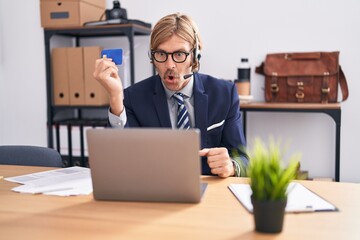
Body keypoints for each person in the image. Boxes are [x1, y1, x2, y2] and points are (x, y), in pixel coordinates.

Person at [93, 12, 248, 178]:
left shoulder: (225, 94)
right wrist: (115, 97)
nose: (169, 65)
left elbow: (244, 160)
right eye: (161, 54)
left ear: (195, 56)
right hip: (156, 190)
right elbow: (120, 157)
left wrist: (231, 166)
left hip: (210, 193)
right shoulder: (133, 97)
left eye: (179, 54)